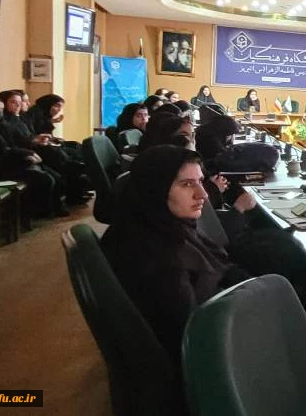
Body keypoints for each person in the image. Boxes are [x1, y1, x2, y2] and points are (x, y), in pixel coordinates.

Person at [100, 146, 251, 368]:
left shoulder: (154, 225)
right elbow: (194, 341)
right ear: (155, 189)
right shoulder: (159, 262)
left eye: (200, 181)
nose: (203, 194)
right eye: (187, 184)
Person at [0, 96, 63, 217]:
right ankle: (37, 212)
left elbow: (11, 145)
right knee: (44, 178)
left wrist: (27, 152)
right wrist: (25, 153)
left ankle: (50, 209)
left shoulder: (0, 125)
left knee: (52, 174)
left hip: (5, 162)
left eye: (1, 110)